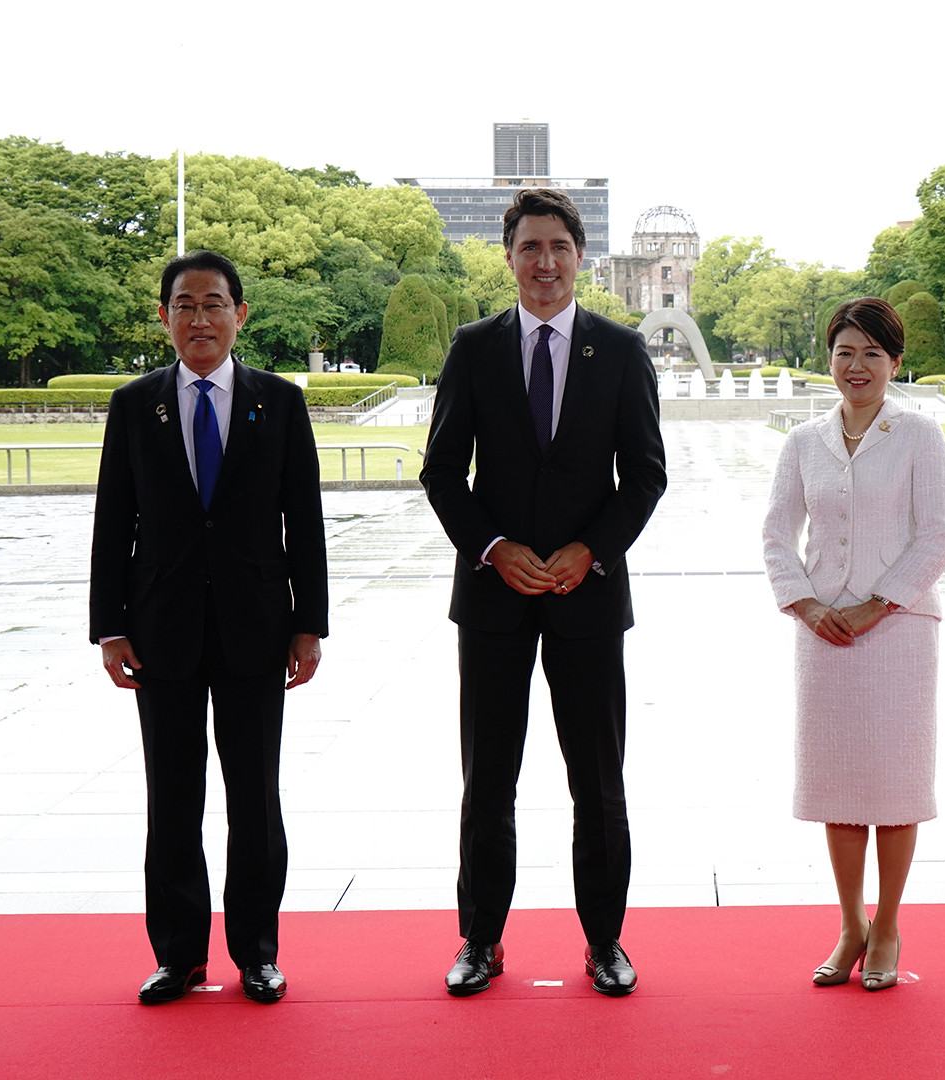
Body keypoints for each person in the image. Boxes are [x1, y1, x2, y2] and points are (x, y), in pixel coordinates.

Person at [420, 187, 667, 998]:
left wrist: (588, 550)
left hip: (586, 597)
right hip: (493, 598)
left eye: (559, 246)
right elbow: (442, 472)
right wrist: (495, 549)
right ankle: (480, 941)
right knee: (487, 777)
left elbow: (646, 476)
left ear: (581, 255)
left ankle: (605, 942)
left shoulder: (623, 351)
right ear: (509, 256)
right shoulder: (473, 347)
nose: (546, 262)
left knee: (597, 780)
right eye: (530, 247)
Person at [88, 249, 327, 1005]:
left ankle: (257, 951)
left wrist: (309, 624)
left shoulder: (280, 402)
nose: (200, 318)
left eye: (214, 303)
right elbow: (111, 524)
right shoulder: (135, 405)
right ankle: (179, 955)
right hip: (162, 630)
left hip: (259, 627)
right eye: (184, 305)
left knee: (255, 796)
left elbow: (306, 525)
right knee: (173, 797)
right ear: (164, 319)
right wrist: (109, 626)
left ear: (240, 314)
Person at [761, 297, 945, 991]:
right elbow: (776, 533)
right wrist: (805, 602)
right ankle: (850, 925)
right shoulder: (802, 441)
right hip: (823, 634)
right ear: (829, 359)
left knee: (895, 787)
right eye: (845, 351)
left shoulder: (920, 437)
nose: (857, 365)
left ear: (895, 362)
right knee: (840, 786)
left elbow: (939, 534)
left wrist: (879, 604)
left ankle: (891, 924)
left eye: (873, 353)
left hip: (899, 631)